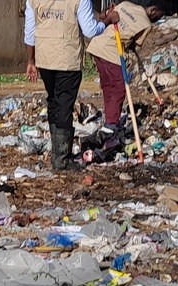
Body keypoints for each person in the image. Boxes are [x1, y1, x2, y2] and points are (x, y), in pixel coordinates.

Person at [24, 0, 119, 170]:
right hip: (67, 60)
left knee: (53, 102)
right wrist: (107, 21)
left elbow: (29, 32)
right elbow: (90, 30)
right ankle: (61, 159)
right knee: (64, 106)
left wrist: (30, 60)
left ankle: (57, 154)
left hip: (44, 58)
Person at [86, 0, 166, 135]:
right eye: (157, 16)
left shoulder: (125, 5)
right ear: (152, 10)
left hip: (97, 46)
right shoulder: (146, 24)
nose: (156, 19)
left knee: (108, 86)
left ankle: (109, 120)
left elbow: (103, 17)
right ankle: (111, 124)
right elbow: (136, 44)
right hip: (110, 52)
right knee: (119, 88)